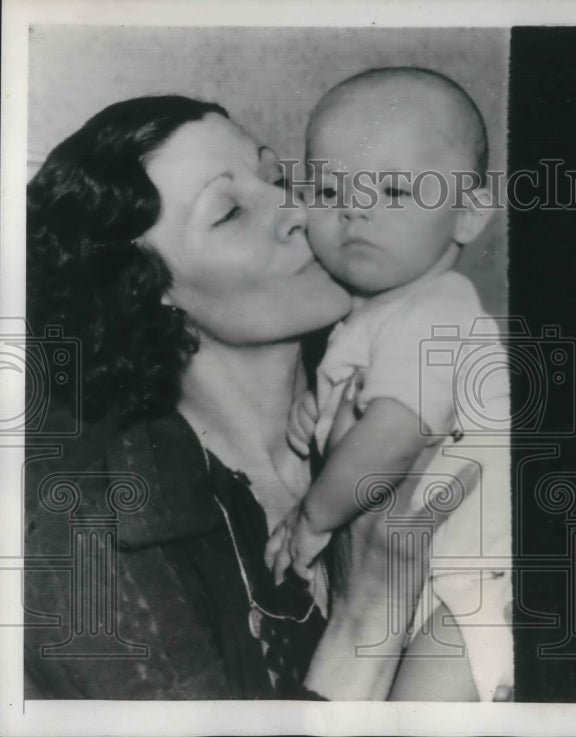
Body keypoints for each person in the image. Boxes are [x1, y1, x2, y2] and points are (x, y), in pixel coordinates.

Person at [22, 95, 454, 699]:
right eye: (229, 213)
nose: (297, 210)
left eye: (277, 177)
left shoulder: (429, 382)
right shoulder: (81, 544)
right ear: (144, 291)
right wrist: (367, 616)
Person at [264, 67, 513, 702]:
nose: (355, 207)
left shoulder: (435, 310)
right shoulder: (377, 318)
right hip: (427, 583)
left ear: (467, 215)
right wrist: (316, 416)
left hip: (477, 591)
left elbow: (396, 434)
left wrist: (314, 516)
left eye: (396, 190)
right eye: (327, 188)